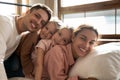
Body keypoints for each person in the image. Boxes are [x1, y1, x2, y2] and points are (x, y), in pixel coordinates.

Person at [0, 3, 52, 80]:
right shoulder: (5, 24)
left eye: (42, 23)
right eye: (37, 16)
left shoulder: (24, 34)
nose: (38, 22)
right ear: (27, 12)